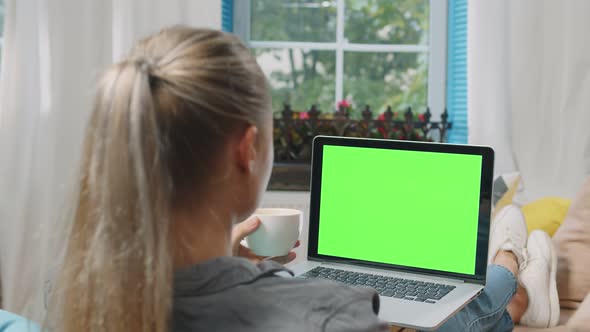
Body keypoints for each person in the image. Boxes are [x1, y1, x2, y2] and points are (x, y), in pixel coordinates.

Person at [47, 26, 559, 332]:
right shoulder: (332, 313)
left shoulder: (74, 299)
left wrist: (218, 264)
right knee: (483, 292)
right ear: (248, 150)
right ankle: (513, 268)